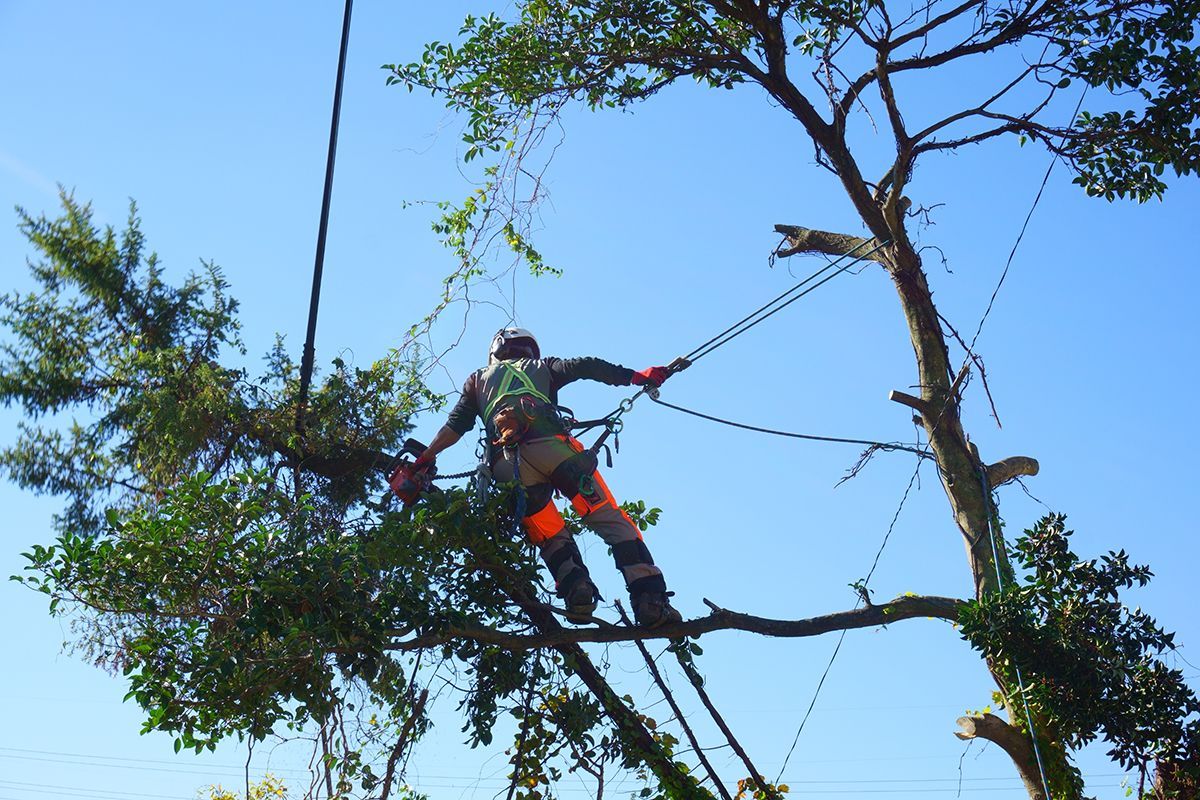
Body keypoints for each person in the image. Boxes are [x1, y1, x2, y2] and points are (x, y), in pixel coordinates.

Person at [413, 327, 683, 627]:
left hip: (508, 467)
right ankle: (650, 602)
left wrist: (425, 457)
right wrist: (636, 376)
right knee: (609, 518)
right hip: (556, 452)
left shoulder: (477, 381)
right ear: (529, 349)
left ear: (496, 351)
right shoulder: (542, 367)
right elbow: (585, 366)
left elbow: (454, 426)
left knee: (550, 534)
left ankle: (577, 590)